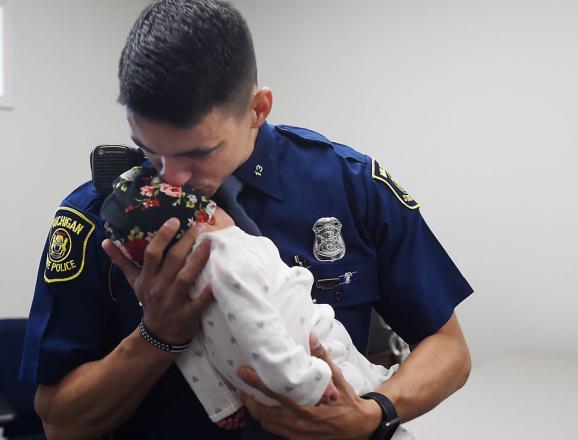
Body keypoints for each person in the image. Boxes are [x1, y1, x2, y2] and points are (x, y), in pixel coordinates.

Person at [20, 0, 473, 438]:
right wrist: (158, 334)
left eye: (198, 152)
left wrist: (375, 413)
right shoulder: (103, 218)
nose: (171, 177)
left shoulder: (349, 186)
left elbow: (449, 348)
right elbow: (62, 421)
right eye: (148, 149)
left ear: (258, 109)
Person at [100, 165, 402, 430]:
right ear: (203, 218)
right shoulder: (227, 252)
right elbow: (260, 330)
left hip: (266, 395)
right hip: (319, 370)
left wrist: (222, 406)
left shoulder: (173, 293)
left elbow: (189, 351)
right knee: (386, 413)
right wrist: (307, 383)